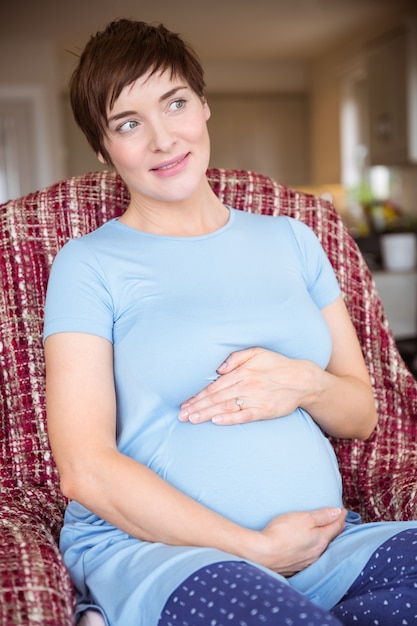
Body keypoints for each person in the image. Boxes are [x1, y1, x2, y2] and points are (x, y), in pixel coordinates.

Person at [44, 18, 417, 626]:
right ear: (103, 147)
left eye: (175, 103)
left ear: (203, 105)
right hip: (167, 555)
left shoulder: (294, 238)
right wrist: (256, 548)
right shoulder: (87, 264)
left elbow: (361, 412)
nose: (163, 140)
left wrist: (306, 382)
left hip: (329, 547)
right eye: (129, 123)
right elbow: (85, 468)